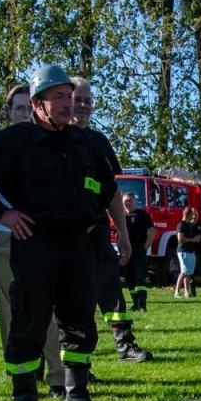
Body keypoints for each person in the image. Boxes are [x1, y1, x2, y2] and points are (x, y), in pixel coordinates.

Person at [0, 63, 115, 401]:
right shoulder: (16, 141)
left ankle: (77, 393)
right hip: (35, 244)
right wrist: (2, 213)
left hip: (77, 245)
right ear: (37, 103)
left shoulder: (85, 142)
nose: (67, 103)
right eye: (57, 97)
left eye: (69, 96)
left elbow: (106, 184)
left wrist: (91, 215)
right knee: (30, 320)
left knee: (80, 319)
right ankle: (25, 399)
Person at [69, 74, 148, 366]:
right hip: (66, 235)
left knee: (111, 288)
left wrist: (122, 233)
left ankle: (124, 344)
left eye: (87, 101)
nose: (83, 106)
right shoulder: (55, 140)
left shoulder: (98, 142)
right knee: (73, 298)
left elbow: (111, 191)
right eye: (77, 100)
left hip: (98, 232)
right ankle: (74, 364)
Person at [0, 83, 32, 347]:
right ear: (10, 111)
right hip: (3, 235)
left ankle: (52, 363)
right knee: (8, 302)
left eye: (29, 108)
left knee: (42, 300)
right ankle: (15, 359)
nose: (25, 114)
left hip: (39, 235)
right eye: (20, 108)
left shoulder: (45, 141)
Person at [122, 191, 154, 311]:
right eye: (125, 201)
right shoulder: (122, 216)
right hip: (127, 252)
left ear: (134, 201)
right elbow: (120, 234)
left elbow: (151, 232)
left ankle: (142, 305)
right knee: (129, 279)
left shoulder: (142, 215)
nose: (128, 203)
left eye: (130, 200)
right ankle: (135, 303)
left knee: (140, 279)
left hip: (139, 251)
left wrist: (145, 247)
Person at [174, 205, 201, 298]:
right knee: (184, 272)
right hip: (183, 251)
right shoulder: (181, 225)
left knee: (188, 273)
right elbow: (180, 239)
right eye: (192, 214)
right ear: (188, 215)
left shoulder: (189, 225)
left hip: (190, 251)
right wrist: (193, 239)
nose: (193, 216)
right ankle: (177, 292)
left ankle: (187, 292)